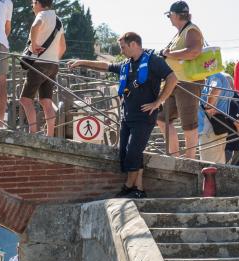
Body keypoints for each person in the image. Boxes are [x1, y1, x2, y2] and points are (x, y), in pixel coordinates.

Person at [70, 33, 177, 199]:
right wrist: (82, 62)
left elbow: (172, 78)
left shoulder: (153, 60)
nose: (122, 50)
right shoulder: (127, 64)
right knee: (127, 153)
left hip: (144, 116)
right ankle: (139, 189)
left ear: (134, 44)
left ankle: (127, 187)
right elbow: (105, 66)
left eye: (123, 47)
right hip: (127, 116)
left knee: (132, 152)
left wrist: (158, 102)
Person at [157, 2, 204, 159]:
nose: (169, 18)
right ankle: (175, 155)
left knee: (188, 123)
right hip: (175, 82)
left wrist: (169, 54)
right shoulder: (181, 33)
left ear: (175, 15)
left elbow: (194, 51)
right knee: (162, 119)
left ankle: (190, 159)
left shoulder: (191, 30)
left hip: (188, 82)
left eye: (169, 15)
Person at [19, 0, 66, 137]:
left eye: (33, 3)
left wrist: (33, 46)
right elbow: (63, 47)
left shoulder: (41, 15)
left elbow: (35, 27)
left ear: (39, 3)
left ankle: (32, 133)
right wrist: (53, 59)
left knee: (25, 100)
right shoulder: (58, 20)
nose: (32, 6)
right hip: (53, 65)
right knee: (46, 101)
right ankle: (50, 135)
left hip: (39, 64)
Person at [198, 71, 235, 165]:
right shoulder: (218, 77)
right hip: (216, 126)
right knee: (217, 161)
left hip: (210, 127)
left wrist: (208, 107)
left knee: (209, 163)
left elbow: (216, 88)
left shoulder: (215, 76)